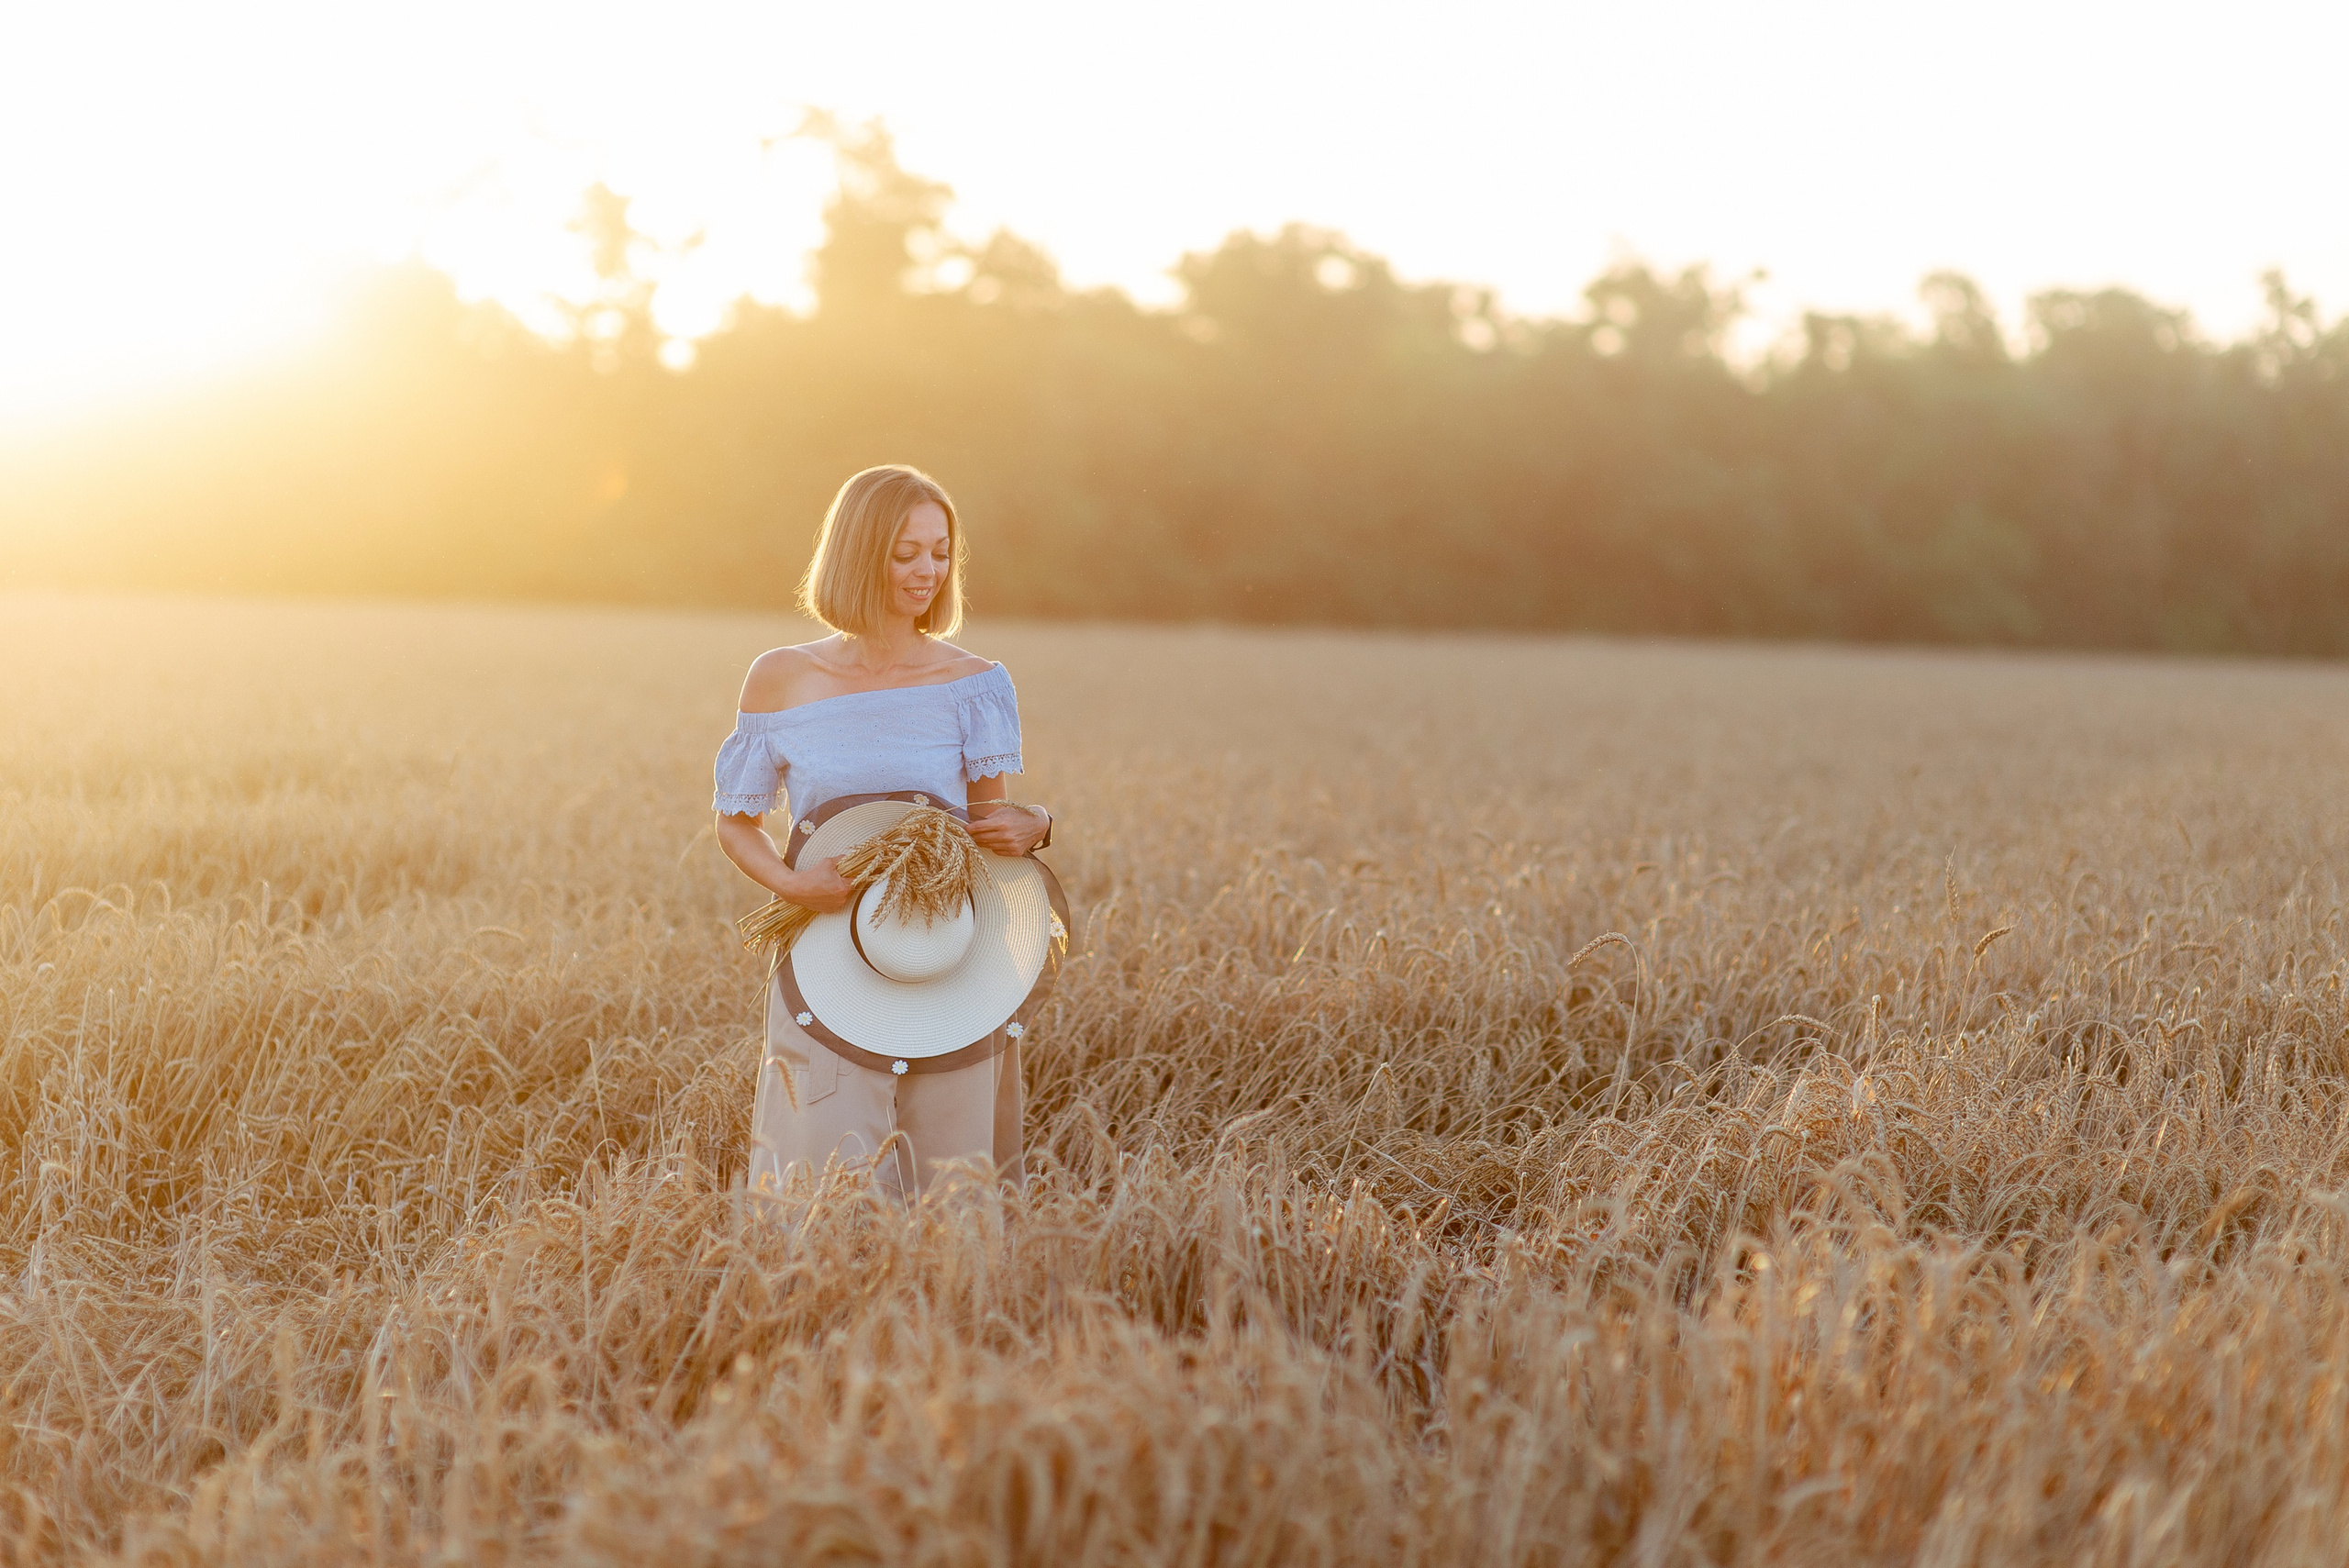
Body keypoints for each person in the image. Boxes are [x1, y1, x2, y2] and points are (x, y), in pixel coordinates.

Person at [711, 464, 1052, 1200]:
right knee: (816, 1181)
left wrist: (1040, 824)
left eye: (941, 552)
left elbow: (989, 829)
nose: (929, 571)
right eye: (906, 553)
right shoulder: (780, 677)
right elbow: (735, 823)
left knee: (951, 1190)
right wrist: (795, 884)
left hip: (949, 956)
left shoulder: (975, 682)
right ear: (858, 553)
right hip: (827, 953)